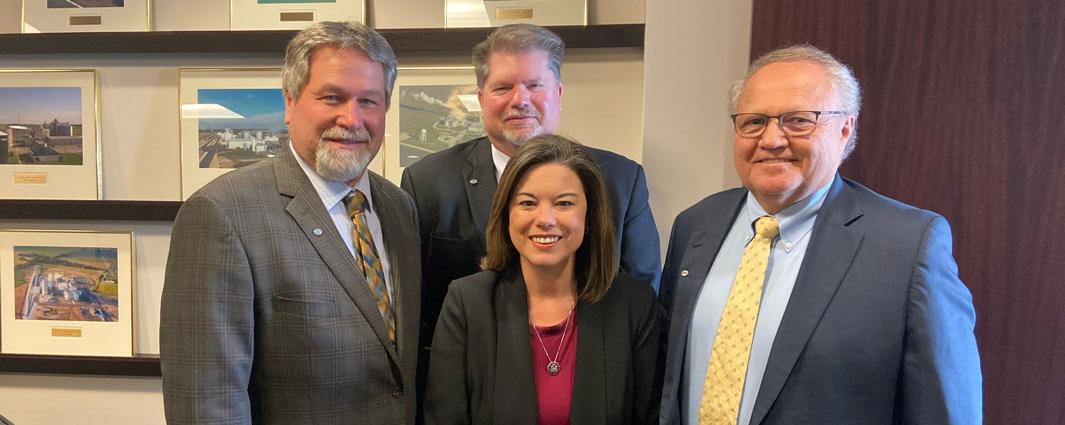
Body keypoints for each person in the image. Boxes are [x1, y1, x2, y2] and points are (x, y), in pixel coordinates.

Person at [658, 45, 982, 424]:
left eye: (798, 120)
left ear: (845, 128)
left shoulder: (908, 247)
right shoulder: (696, 225)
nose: (772, 139)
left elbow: (945, 411)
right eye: (754, 122)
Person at [160, 22, 420, 425]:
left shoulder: (399, 208)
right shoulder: (221, 213)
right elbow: (207, 402)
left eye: (369, 101)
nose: (351, 119)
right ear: (289, 101)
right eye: (332, 97)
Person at [400, 24, 661, 368]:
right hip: (468, 380)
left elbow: (640, 296)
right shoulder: (427, 181)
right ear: (481, 99)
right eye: (503, 87)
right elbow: (412, 305)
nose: (519, 99)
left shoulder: (620, 179)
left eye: (535, 85)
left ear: (559, 93)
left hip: (588, 378)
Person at [424, 134, 661, 424]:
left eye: (563, 203)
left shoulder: (634, 306)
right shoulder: (467, 303)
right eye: (527, 203)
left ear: (590, 217)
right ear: (506, 215)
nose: (545, 218)